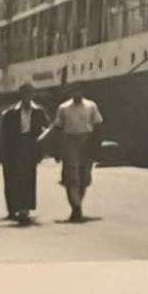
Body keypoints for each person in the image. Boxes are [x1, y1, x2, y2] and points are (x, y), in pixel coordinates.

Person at [44, 86, 103, 222]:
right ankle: (76, 207)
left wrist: (96, 146)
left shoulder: (91, 106)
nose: (77, 93)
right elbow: (58, 127)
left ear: (83, 92)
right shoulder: (64, 108)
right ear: (71, 93)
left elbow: (98, 125)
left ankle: (78, 204)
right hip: (70, 141)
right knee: (72, 177)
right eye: (74, 91)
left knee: (84, 177)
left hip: (86, 141)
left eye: (79, 91)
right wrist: (56, 149)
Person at [0, 83, 49, 225]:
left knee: (28, 178)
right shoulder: (10, 113)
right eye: (25, 93)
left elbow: (46, 130)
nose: (27, 96)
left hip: (30, 146)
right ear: (20, 95)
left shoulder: (39, 111)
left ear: (33, 95)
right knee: (11, 177)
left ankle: (25, 209)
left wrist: (42, 149)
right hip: (13, 147)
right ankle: (12, 208)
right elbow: (2, 134)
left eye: (30, 93)